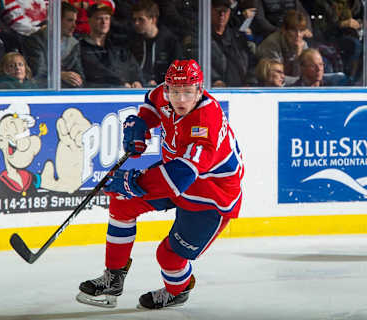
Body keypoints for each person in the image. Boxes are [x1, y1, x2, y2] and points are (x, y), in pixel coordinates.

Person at [76, 59, 244, 309]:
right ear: (167, 89)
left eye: (188, 91)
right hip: (177, 174)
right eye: (175, 91)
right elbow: (152, 107)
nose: (181, 99)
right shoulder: (164, 96)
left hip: (210, 196)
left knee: (168, 256)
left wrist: (134, 181)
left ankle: (178, 290)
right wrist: (141, 125)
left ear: (200, 90)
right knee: (122, 203)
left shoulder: (205, 122)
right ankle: (113, 277)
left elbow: (179, 177)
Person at [80, 2, 143, 88]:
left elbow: (134, 69)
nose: (104, 22)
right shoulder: (81, 48)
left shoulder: (118, 47)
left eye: (107, 18)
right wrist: (119, 85)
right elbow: (94, 77)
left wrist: (137, 81)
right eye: (99, 18)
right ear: (89, 20)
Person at [23, 2, 85, 88]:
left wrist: (76, 80)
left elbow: (80, 74)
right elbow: (37, 74)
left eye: (75, 21)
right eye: (70, 20)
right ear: (55, 20)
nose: (74, 26)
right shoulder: (35, 41)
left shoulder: (74, 43)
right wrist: (60, 75)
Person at [129, 0, 183, 86]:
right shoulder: (133, 42)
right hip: (138, 89)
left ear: (153, 19)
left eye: (141, 19)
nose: (136, 23)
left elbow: (178, 71)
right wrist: (135, 81)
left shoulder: (170, 42)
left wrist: (160, 82)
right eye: (134, 19)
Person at [211, 0, 254, 87]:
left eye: (225, 11)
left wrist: (250, 82)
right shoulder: (200, 37)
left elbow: (252, 63)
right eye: (218, 10)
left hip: (242, 91)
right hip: (216, 91)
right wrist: (214, 81)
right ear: (210, 10)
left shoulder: (238, 37)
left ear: (229, 12)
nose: (222, 14)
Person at [256, 9, 309, 77]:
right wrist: (301, 80)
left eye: (301, 30)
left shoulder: (303, 45)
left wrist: (298, 56)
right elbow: (276, 78)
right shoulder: (271, 44)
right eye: (293, 30)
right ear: (284, 30)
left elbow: (303, 75)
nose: (298, 35)